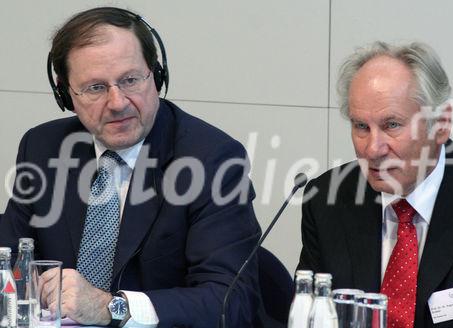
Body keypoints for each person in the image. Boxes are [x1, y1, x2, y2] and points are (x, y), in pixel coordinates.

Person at [0, 7, 262, 328]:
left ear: (157, 75)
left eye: (130, 80)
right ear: (65, 93)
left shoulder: (212, 159)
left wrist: (112, 307)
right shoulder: (43, 148)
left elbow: (230, 302)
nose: (118, 102)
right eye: (96, 87)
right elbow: (9, 259)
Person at [297, 41, 453, 328]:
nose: (373, 149)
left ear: (441, 124)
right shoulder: (327, 200)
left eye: (392, 125)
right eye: (361, 127)